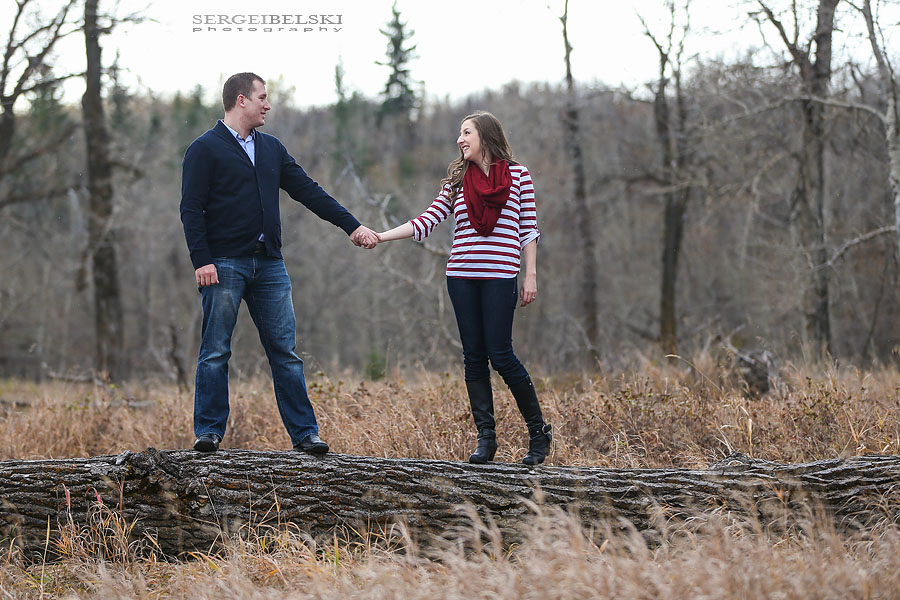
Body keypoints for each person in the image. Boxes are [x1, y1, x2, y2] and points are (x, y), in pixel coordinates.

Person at [180, 72, 377, 455]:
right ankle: (208, 432)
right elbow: (191, 209)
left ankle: (306, 435)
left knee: (285, 353)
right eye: (262, 98)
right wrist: (201, 260)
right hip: (222, 264)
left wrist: (351, 225)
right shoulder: (204, 149)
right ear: (241, 101)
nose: (267, 105)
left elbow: (308, 191)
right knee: (216, 350)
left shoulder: (271, 148)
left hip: (269, 265)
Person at [376, 111, 551, 465]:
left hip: (501, 276)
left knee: (501, 355)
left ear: (485, 136)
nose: (460, 139)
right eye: (459, 133)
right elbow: (426, 221)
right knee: (473, 358)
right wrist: (381, 236)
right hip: (461, 277)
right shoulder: (456, 182)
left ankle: (539, 433)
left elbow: (528, 229)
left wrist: (529, 275)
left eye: (466, 132)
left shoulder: (518, 177)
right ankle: (486, 439)